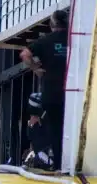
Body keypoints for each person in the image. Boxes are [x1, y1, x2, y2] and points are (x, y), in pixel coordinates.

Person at [20, 9, 69, 169]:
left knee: (55, 129)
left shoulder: (45, 41)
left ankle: (59, 165)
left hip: (51, 92)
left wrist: (36, 68)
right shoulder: (74, 39)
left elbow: (25, 54)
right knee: (70, 127)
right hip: (72, 93)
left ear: (52, 24)